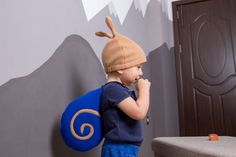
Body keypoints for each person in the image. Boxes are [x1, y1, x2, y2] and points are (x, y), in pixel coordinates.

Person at [96, 16, 151, 157]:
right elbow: (139, 112)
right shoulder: (113, 90)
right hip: (119, 149)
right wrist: (144, 91)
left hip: (124, 148)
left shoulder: (117, 90)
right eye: (138, 67)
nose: (141, 72)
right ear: (121, 67)